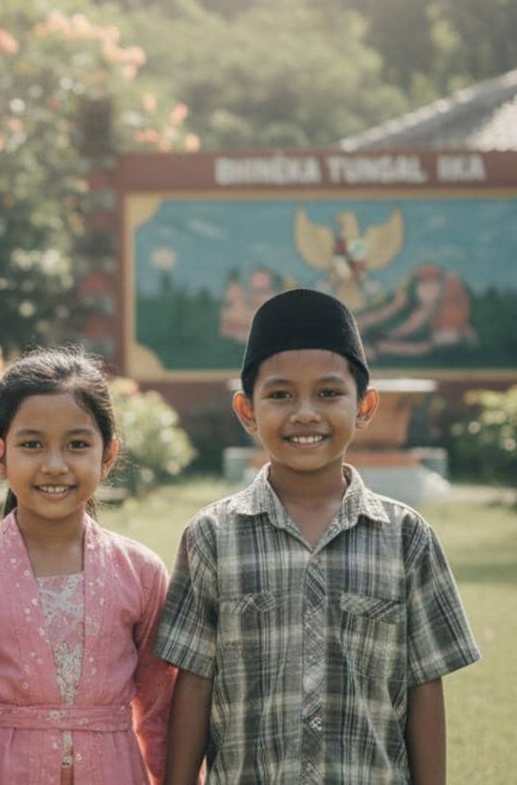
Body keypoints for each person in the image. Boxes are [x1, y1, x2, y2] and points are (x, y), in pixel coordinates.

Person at [156, 288, 481, 785]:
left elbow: (424, 688)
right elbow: (195, 684)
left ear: (365, 406)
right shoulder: (212, 537)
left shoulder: (407, 538)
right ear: (247, 410)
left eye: (329, 393)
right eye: (281, 394)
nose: (305, 413)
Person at [0, 348, 176, 785]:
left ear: (108, 454)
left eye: (77, 444)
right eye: (32, 444)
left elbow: (160, 713)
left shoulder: (141, 573)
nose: (55, 464)